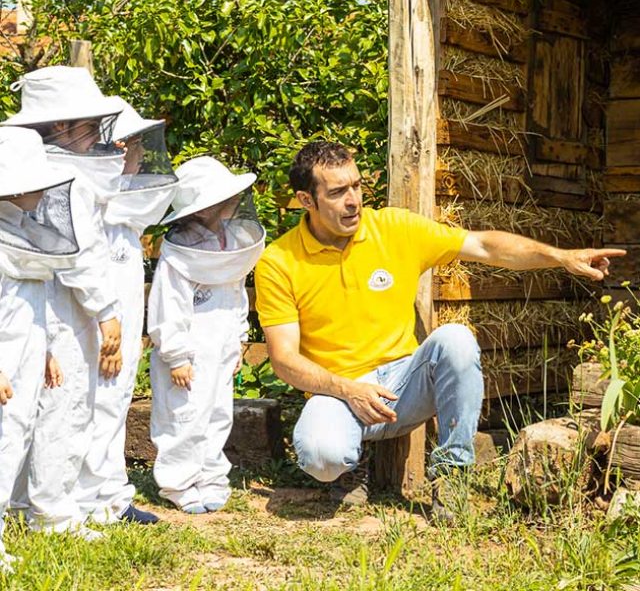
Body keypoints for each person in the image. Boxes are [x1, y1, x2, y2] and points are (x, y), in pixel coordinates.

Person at [254, 140, 626, 516]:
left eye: (356, 186)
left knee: (456, 339)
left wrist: (560, 257)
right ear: (306, 200)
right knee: (320, 455)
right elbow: (284, 361)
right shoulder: (279, 261)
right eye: (337, 192)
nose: (353, 200)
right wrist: (347, 389)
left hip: (404, 383)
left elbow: (485, 246)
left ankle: (451, 476)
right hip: (338, 390)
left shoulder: (394, 227)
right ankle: (350, 469)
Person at [2, 66, 124, 538]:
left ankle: (30, 508)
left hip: (43, 323)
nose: (97, 135)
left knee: (34, 417)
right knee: (63, 410)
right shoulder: (57, 178)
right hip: (61, 319)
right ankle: (51, 513)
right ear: (59, 126)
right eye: (88, 124)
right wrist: (106, 311)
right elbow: (84, 256)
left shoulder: (51, 176)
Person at [74, 97, 178, 525]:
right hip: (99, 342)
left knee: (113, 409)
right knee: (93, 410)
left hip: (120, 341)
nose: (139, 155)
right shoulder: (91, 214)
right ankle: (88, 502)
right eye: (132, 146)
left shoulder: (123, 218)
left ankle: (111, 496)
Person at [148, 156, 265, 514]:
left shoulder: (230, 244)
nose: (231, 202)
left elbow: (234, 296)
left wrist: (238, 340)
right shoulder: (177, 256)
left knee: (216, 415)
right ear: (203, 208)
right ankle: (178, 483)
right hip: (187, 357)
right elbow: (168, 309)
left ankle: (211, 477)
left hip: (221, 349)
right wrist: (176, 356)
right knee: (183, 418)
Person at [0, 127, 79, 573]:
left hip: (26, 361)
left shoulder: (24, 234)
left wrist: (47, 349)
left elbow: (33, 306)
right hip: (4, 369)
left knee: (15, 441)